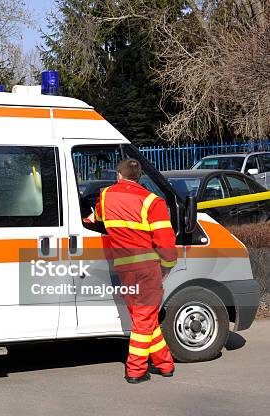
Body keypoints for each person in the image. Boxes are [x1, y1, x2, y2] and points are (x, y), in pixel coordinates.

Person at [94, 158, 177, 384]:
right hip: (147, 269)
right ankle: (136, 370)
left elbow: (98, 217)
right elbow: (166, 243)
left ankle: (164, 363)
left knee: (144, 318)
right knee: (144, 319)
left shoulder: (106, 195)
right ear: (139, 177)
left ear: (118, 175)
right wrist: (167, 266)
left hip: (124, 268)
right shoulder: (153, 202)